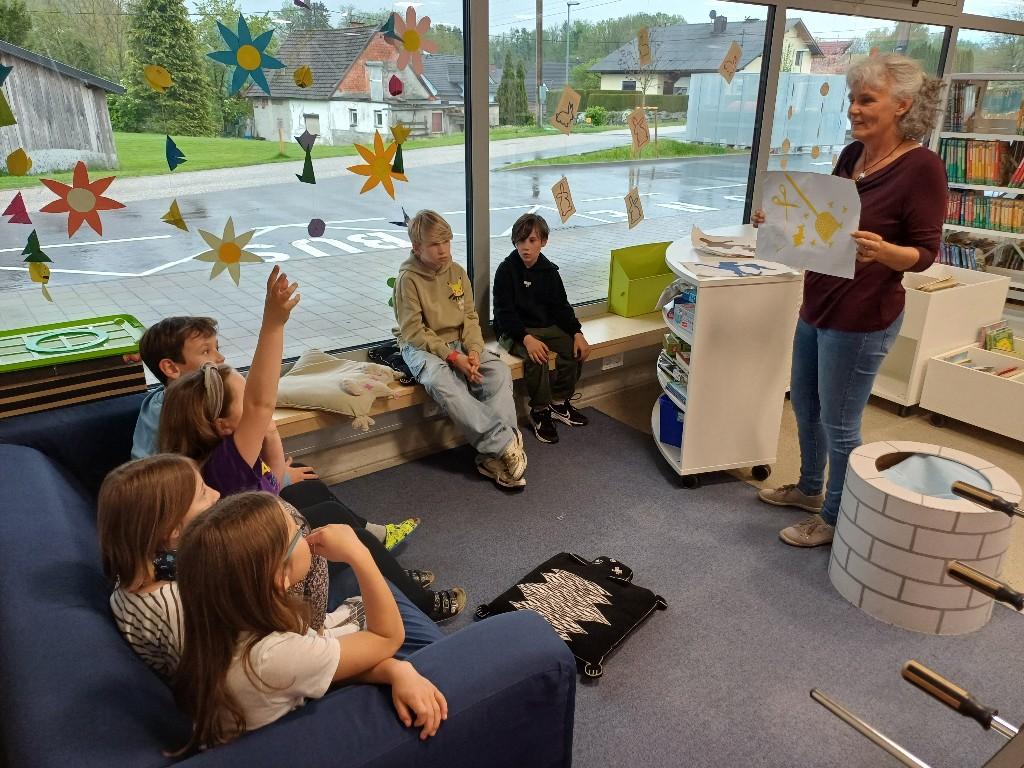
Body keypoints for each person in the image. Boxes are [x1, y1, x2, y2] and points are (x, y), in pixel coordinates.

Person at [159, 269, 465, 620]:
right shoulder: (223, 463)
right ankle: (422, 605)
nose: (258, 410)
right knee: (343, 530)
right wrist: (273, 323)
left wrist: (270, 437)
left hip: (264, 537)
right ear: (222, 425)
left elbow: (270, 487)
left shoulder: (219, 455)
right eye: (244, 401)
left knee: (322, 502)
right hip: (265, 565)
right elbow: (261, 403)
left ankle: (393, 578)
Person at [752, 54, 947, 548]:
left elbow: (924, 255)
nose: (854, 109)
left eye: (867, 99)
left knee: (840, 424)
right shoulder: (850, 157)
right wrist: (778, 225)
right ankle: (809, 489)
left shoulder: (922, 168)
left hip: (862, 319)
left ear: (902, 105)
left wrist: (886, 252)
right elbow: (827, 231)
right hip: (818, 302)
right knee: (806, 405)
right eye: (852, 99)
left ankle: (837, 518)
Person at [97, 455, 465, 683]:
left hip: (289, 648)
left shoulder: (143, 574)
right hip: (299, 656)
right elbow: (263, 661)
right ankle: (409, 593)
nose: (215, 494)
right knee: (345, 544)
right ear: (171, 531)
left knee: (323, 522)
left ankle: (401, 586)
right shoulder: (186, 607)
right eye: (203, 493)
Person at [138, 286, 418, 551]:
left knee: (304, 477)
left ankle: (371, 535)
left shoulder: (180, 405)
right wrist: (273, 322)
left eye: (216, 348)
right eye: (206, 352)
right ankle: (370, 546)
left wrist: (277, 469)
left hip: (232, 499)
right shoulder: (181, 424)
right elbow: (260, 406)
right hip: (227, 517)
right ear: (170, 367)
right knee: (320, 508)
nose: (220, 358)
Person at [172, 493, 447, 751]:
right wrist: (359, 554)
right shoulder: (272, 655)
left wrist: (393, 670)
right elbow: (387, 638)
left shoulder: (218, 613)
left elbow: (317, 666)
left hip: (284, 702)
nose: (306, 530)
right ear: (280, 579)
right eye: (297, 531)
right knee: (436, 670)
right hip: (301, 739)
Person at [393, 210, 528, 489]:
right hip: (422, 348)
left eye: (447, 242)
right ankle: (504, 443)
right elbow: (414, 332)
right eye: (434, 244)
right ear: (416, 248)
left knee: (498, 371)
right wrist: (454, 358)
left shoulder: (456, 271)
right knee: (444, 383)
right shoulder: (408, 279)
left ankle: (492, 459)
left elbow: (469, 319)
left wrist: (475, 352)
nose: (443, 250)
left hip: (459, 343)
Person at [493, 213, 591, 444]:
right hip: (514, 330)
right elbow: (504, 314)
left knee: (572, 349)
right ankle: (539, 410)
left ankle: (559, 403)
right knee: (537, 356)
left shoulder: (549, 272)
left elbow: (561, 307)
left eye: (532, 241)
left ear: (543, 242)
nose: (525, 247)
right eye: (520, 241)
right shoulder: (506, 270)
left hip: (543, 326)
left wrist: (577, 333)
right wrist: (526, 339)